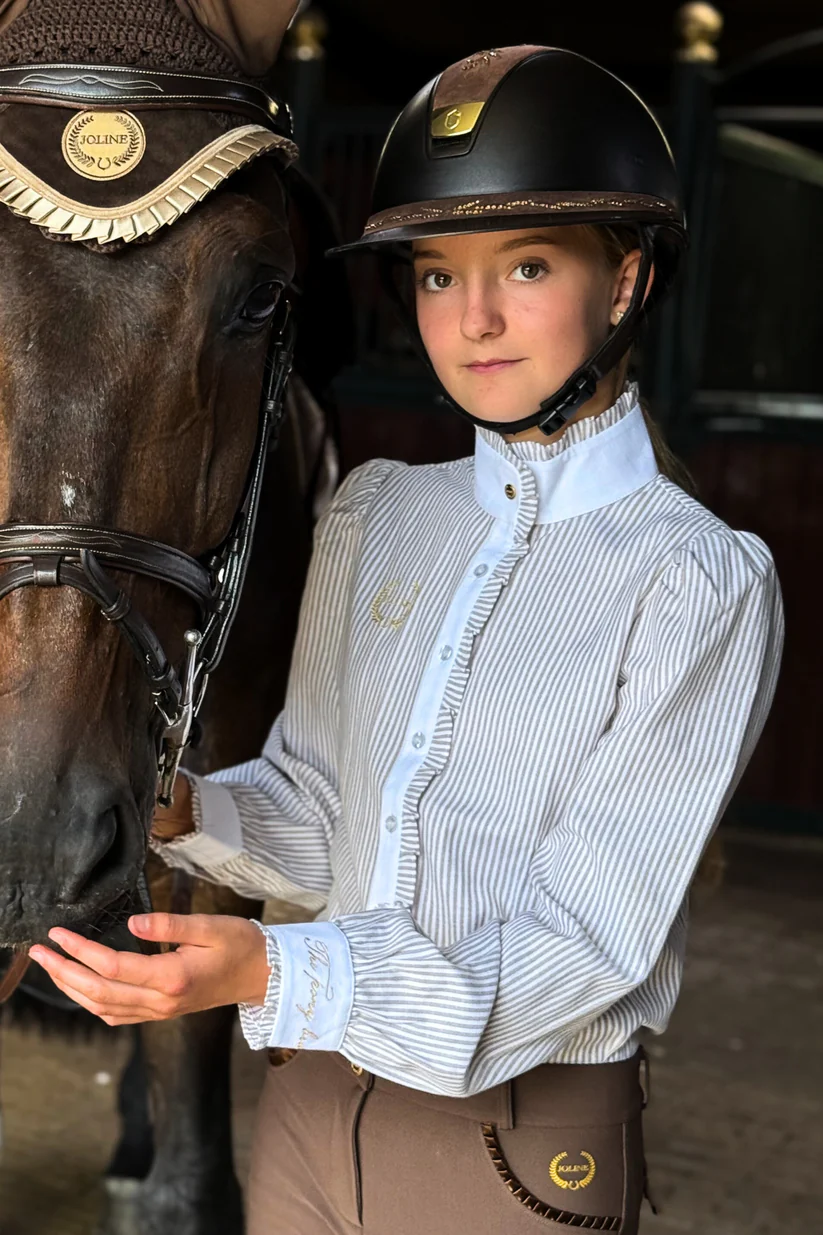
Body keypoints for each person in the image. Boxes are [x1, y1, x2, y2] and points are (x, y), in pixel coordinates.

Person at [31, 46, 783, 1235]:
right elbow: (323, 812)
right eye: (436, 277)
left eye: (524, 267)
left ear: (627, 277)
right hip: (306, 1114)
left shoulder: (694, 580)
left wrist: (271, 973)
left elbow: (582, 946)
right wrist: (187, 810)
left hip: (513, 1145)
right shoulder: (379, 512)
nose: (472, 321)